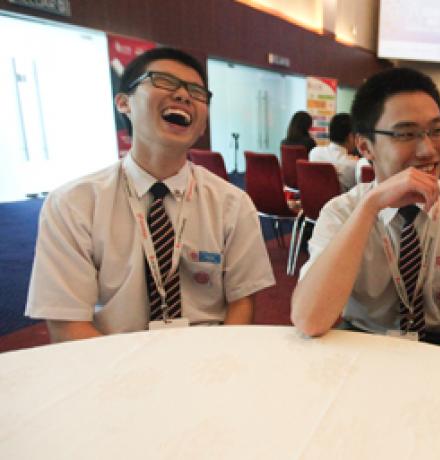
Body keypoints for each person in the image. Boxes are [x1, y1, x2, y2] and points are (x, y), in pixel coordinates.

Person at [25, 48, 276, 342]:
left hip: (207, 359)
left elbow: (242, 302)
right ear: (123, 103)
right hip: (110, 359)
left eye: (196, 91)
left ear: (203, 122)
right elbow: (66, 323)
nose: (183, 96)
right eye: (164, 81)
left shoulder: (232, 204)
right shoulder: (73, 204)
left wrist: (219, 366)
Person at [291, 67, 440, 354]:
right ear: (365, 146)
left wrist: (425, 376)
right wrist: (370, 208)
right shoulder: (341, 212)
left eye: (436, 130)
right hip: (361, 340)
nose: (428, 150)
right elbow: (309, 320)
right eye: (406, 134)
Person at [309, 113, 360, 191]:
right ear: (350, 137)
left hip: (312, 202)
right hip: (341, 202)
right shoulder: (353, 165)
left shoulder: (314, 152)